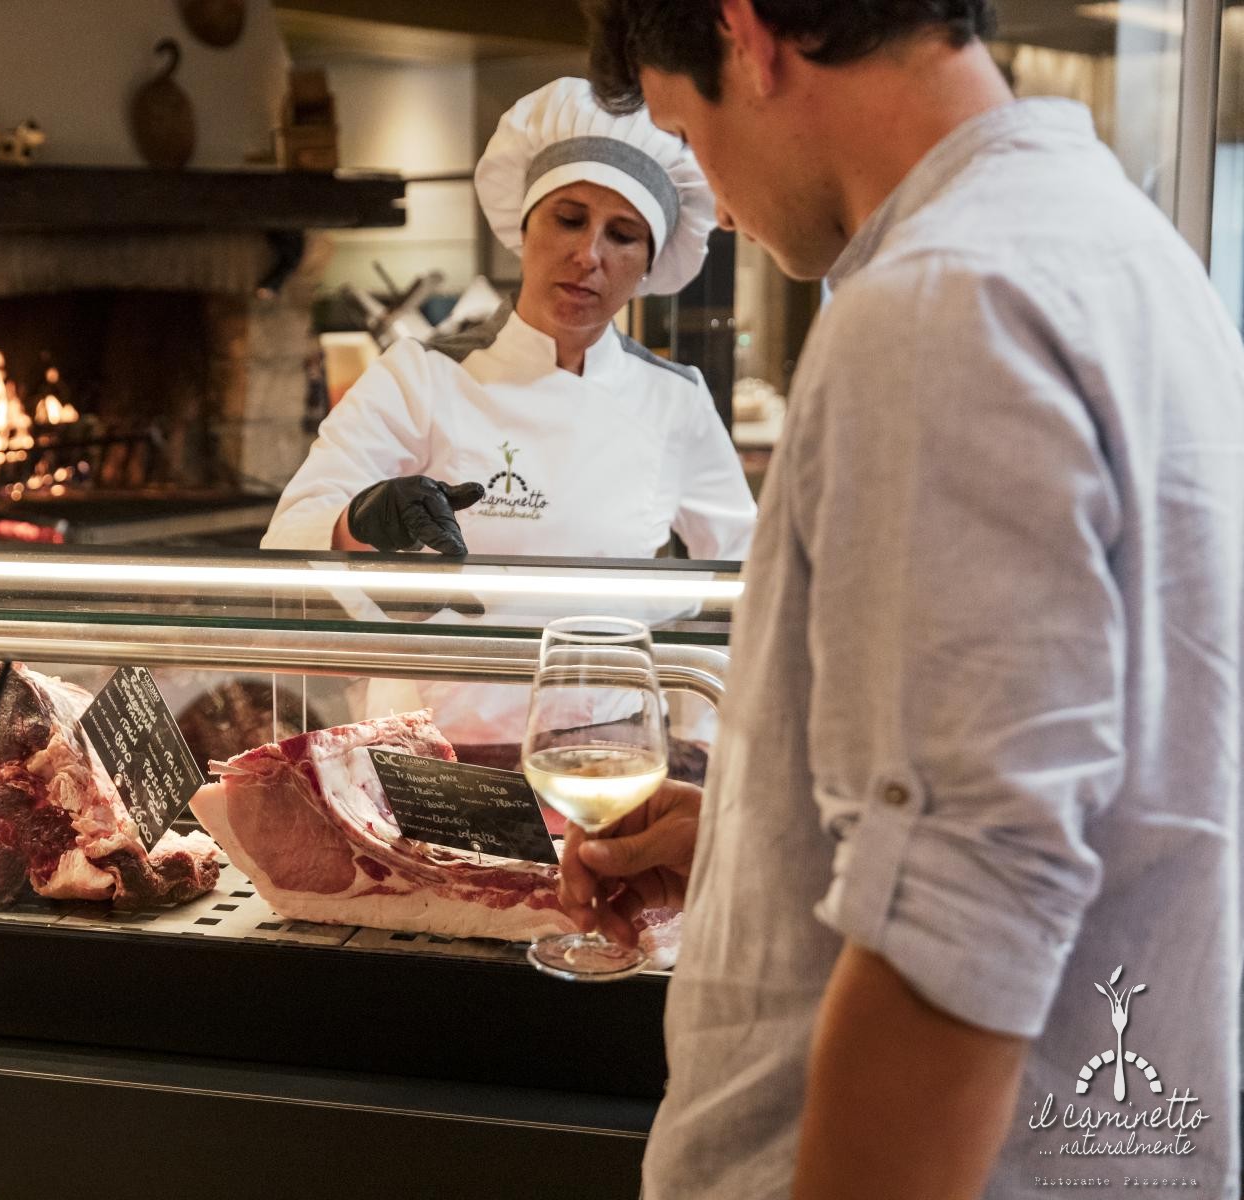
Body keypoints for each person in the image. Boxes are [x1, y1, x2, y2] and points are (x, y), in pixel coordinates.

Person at [568, 0, 1244, 1197]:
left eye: (691, 131)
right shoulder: (1131, 253)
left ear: (747, 35)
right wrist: (754, 833)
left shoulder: (942, 304)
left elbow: (970, 913)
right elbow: (1077, 769)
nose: (715, 203)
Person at [265, 76, 754, 757]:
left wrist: (698, 744)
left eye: (623, 234)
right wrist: (359, 521)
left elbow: (745, 589)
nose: (590, 256)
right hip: (426, 760)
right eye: (570, 217)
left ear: (649, 263)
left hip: (599, 762)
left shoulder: (674, 399)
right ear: (523, 228)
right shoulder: (422, 376)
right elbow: (290, 538)